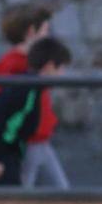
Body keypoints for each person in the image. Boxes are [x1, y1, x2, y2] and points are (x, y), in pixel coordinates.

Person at [20, 34, 71, 191]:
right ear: (49, 66)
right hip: (29, 145)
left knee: (62, 190)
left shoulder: (41, 86)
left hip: (42, 143)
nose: (62, 73)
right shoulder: (30, 88)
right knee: (22, 192)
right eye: (61, 68)